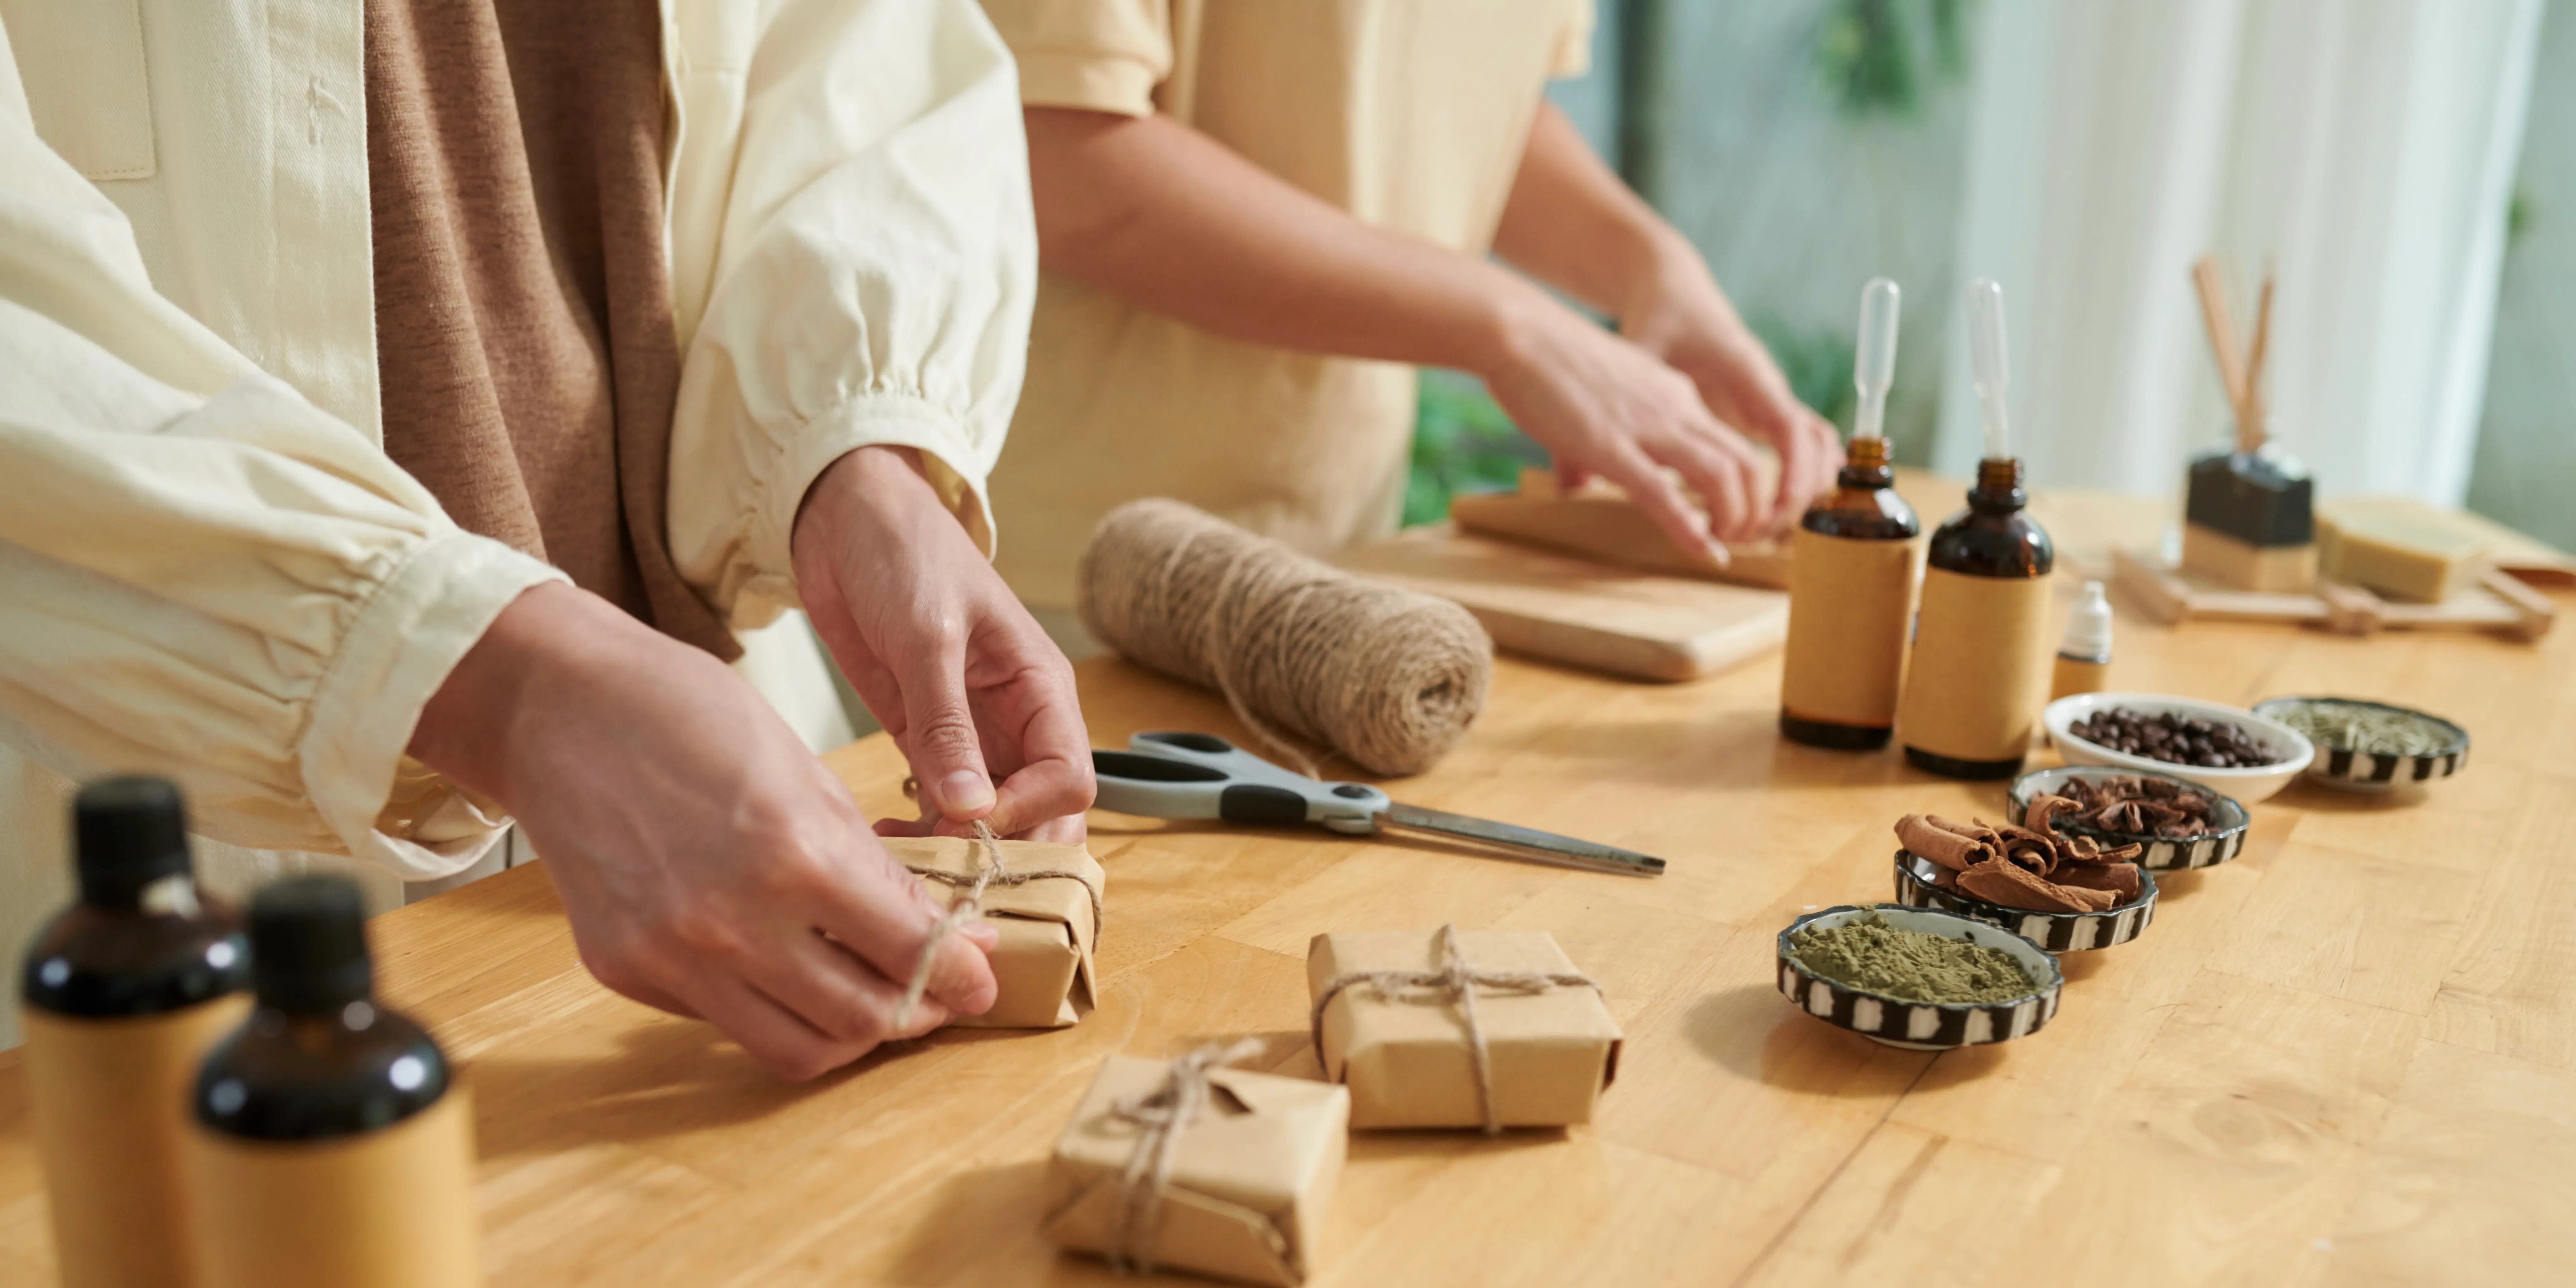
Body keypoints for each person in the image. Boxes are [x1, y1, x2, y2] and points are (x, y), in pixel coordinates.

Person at [0, 0, 1091, 1077]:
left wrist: (859, 458)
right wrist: (492, 685)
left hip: (717, 805)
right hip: (186, 822)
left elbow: (854, 54)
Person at [975, 0, 1842, 631]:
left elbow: (1465, 110)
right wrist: (1515, 329)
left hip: (1342, 559)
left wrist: (1649, 270)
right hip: (1058, 580)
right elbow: (1058, 157)